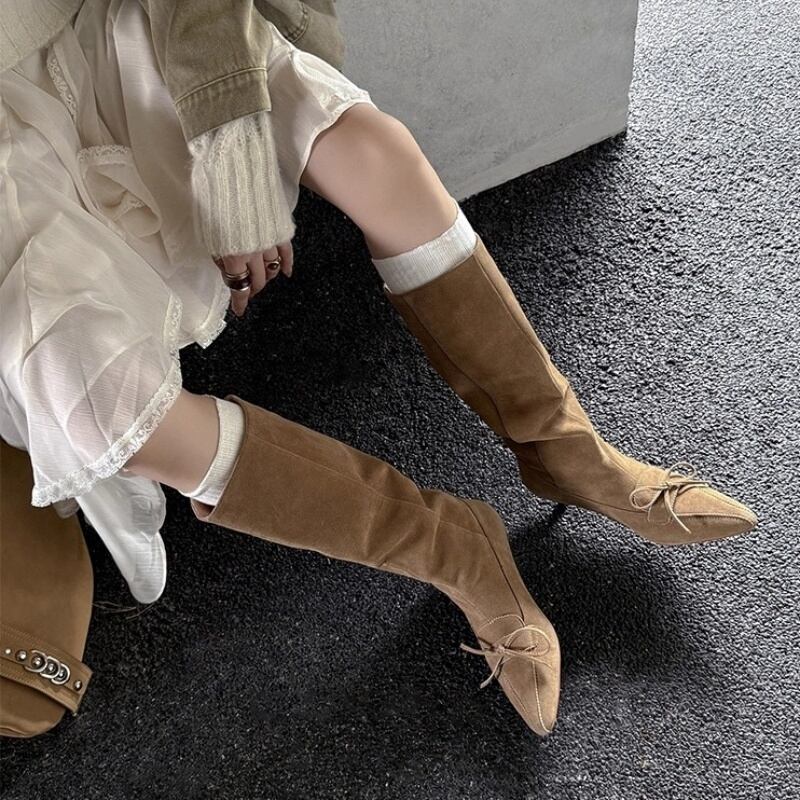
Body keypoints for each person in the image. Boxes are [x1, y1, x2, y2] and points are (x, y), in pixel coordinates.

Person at [0, 0, 756, 737]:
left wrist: (234, 164)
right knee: (104, 411)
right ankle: (455, 547)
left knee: (373, 154)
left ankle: (562, 450)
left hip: (106, 28)